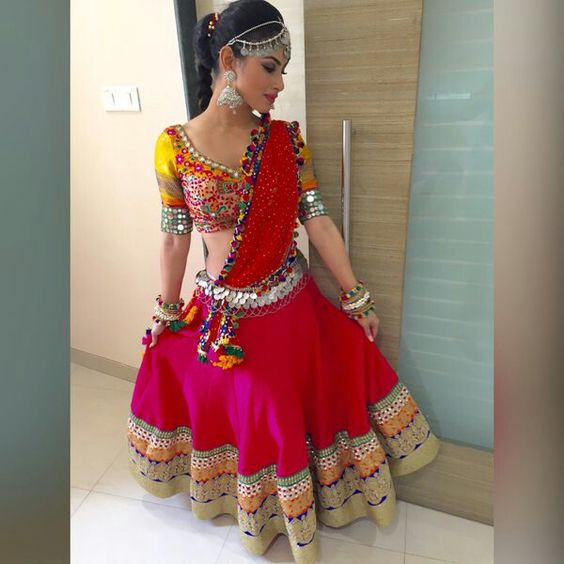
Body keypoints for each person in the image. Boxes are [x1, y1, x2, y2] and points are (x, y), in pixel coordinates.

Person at [126, 1, 441, 562]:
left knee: (285, 402)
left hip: (287, 305)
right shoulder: (173, 145)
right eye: (269, 67)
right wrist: (167, 310)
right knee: (205, 387)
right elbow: (175, 237)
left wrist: (355, 295)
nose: (280, 83)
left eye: (283, 70)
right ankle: (248, 506)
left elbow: (317, 222)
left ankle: (300, 508)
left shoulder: (287, 143)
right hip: (222, 315)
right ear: (229, 60)